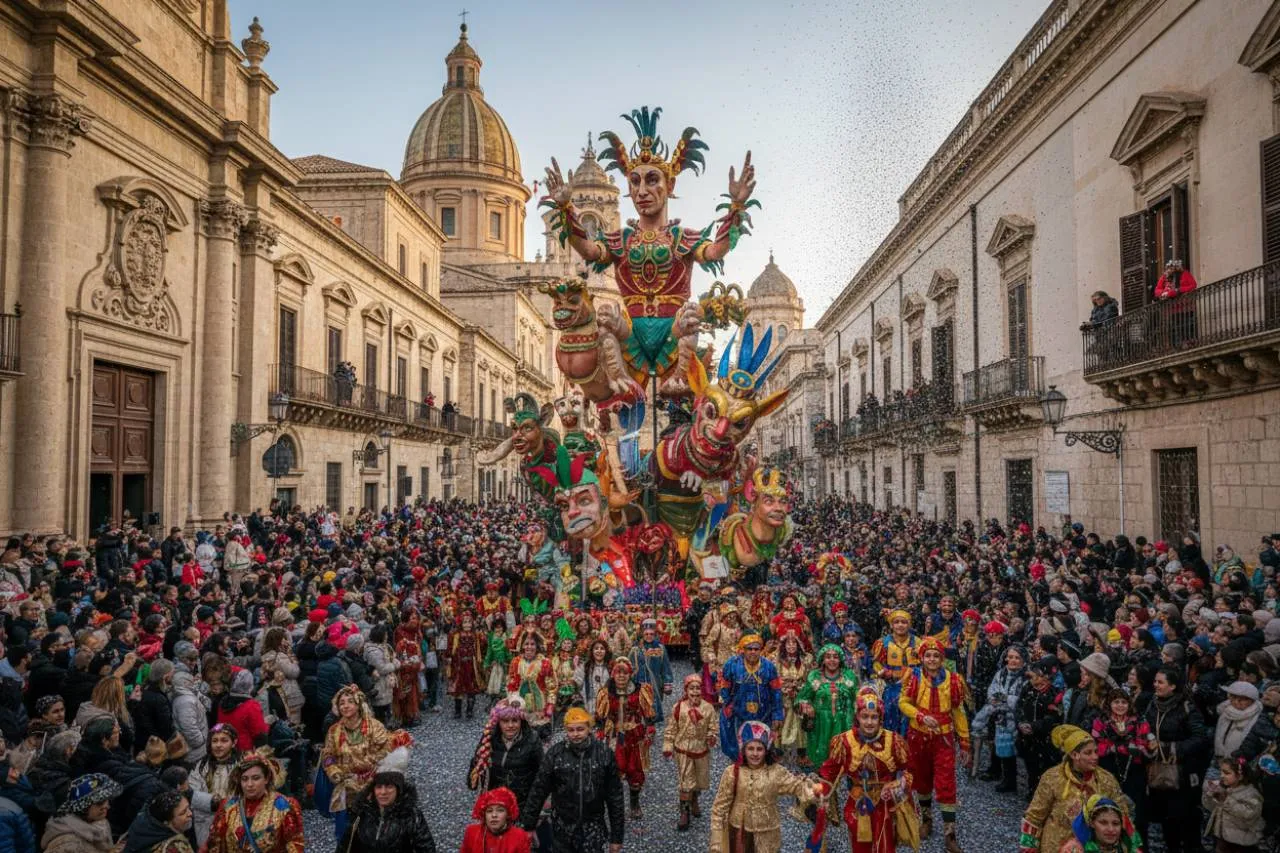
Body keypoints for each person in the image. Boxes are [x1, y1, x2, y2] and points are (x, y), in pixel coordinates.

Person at [818, 685, 917, 853]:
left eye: (874, 717)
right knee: (860, 847)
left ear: (880, 718)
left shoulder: (894, 741)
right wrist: (817, 793)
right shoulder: (844, 742)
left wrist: (896, 786)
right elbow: (828, 774)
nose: (869, 722)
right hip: (857, 804)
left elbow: (909, 772)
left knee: (886, 847)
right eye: (865, 717)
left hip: (886, 805)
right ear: (857, 717)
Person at [519, 706, 624, 853]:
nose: (576, 734)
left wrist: (617, 837)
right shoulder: (555, 754)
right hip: (562, 827)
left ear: (589, 728)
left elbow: (615, 797)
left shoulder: (604, 754)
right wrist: (529, 826)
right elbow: (539, 790)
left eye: (580, 729)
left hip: (593, 827)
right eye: (571, 730)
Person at [899, 635, 970, 851]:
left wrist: (965, 741)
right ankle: (927, 819)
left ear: (941, 658)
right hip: (918, 737)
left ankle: (950, 833)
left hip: (944, 739)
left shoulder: (954, 679)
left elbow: (958, 710)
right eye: (927, 655)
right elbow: (903, 703)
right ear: (922, 658)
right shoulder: (914, 676)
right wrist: (920, 716)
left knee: (946, 781)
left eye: (935, 656)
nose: (931, 659)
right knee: (921, 778)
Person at [707, 721, 820, 853]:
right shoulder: (732, 772)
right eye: (750, 749)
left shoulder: (776, 772)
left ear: (766, 751)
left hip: (768, 832)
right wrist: (716, 838)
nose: (755, 754)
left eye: (759, 749)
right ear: (743, 749)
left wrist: (815, 791)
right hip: (740, 832)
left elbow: (796, 785)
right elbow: (719, 807)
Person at [320, 685, 407, 841]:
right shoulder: (334, 731)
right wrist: (333, 771)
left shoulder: (374, 726)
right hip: (346, 786)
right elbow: (328, 754)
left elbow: (386, 749)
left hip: (372, 784)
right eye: (342, 703)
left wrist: (368, 763)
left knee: (374, 832)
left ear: (358, 705)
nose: (345, 706)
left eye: (350, 702)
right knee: (346, 833)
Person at [1019, 725, 1124, 853]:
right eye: (1088, 753)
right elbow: (1034, 816)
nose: (1095, 757)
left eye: (1096, 751)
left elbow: (1122, 814)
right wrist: (1029, 848)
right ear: (1074, 755)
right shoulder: (1053, 777)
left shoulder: (1106, 780)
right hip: (1055, 845)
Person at [1143, 666, 1210, 853]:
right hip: (1159, 769)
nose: (1155, 685)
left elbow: (1200, 738)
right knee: (1165, 814)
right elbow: (1146, 725)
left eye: (1160, 682)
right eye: (1155, 681)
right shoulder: (1153, 703)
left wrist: (1169, 748)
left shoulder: (1186, 707)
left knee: (1185, 814)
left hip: (1183, 771)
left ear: (1172, 686)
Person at [205, 751, 305, 853]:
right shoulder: (228, 807)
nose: (249, 784)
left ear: (266, 779)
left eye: (256, 778)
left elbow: (295, 845)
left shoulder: (285, 806)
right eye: (244, 779)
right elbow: (214, 843)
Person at [594, 657, 655, 820]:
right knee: (615, 769)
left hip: (635, 735)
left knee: (635, 770)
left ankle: (634, 803)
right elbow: (600, 715)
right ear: (613, 674)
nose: (621, 676)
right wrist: (600, 729)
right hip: (615, 736)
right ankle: (616, 804)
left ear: (630, 674)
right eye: (617, 672)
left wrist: (650, 727)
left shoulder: (640, 689)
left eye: (625, 672)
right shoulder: (606, 692)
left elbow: (647, 712)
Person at [1091, 689, 1153, 843]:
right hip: (1108, 770)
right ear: (1109, 703)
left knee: (1137, 815)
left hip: (1134, 771)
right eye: (1116, 702)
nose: (1120, 705)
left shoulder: (1139, 721)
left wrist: (1125, 748)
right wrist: (1118, 748)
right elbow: (1095, 746)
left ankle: (1138, 846)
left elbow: (1144, 745)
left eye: (1124, 702)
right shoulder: (1100, 721)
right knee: (1108, 811)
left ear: (1129, 703)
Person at [662, 673, 717, 831]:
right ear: (686, 690)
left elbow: (713, 726)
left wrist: (711, 736)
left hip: (701, 750)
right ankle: (684, 812)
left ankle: (694, 800)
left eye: (698, 688)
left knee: (699, 781)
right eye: (691, 688)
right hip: (684, 750)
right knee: (686, 782)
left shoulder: (708, 708)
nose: (695, 692)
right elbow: (671, 728)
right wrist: (667, 744)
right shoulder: (679, 708)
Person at [336, 770, 437, 853]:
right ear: (373, 790)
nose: (383, 792)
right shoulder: (362, 813)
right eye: (379, 787)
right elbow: (345, 846)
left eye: (389, 786)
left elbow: (427, 849)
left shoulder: (410, 815)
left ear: (398, 790)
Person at [718, 634, 783, 761]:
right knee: (739, 744)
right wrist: (727, 703)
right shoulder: (732, 664)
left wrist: (777, 714)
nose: (753, 652)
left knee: (761, 744)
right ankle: (739, 767)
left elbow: (776, 691)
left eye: (756, 649)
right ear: (743, 649)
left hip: (764, 712)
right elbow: (724, 686)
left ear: (761, 650)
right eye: (749, 648)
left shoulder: (769, 667)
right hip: (739, 712)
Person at [795, 642, 859, 769]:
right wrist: (807, 707)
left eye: (835, 657)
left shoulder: (849, 676)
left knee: (844, 760)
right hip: (820, 726)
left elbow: (858, 697)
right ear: (822, 660)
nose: (832, 660)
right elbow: (801, 699)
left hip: (844, 724)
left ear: (840, 659)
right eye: (828, 657)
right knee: (822, 763)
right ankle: (823, 783)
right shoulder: (814, 677)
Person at [40, 773, 122, 853]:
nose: (107, 806)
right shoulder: (66, 844)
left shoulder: (99, 822)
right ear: (83, 807)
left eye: (108, 800)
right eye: (100, 802)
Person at [188, 723, 240, 846]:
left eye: (224, 740)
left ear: (234, 743)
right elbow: (193, 793)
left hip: (234, 822)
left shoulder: (241, 766)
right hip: (207, 824)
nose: (218, 745)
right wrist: (213, 803)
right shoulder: (201, 767)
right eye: (214, 741)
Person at [872, 609, 921, 735]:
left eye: (904, 622)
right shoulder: (883, 643)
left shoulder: (918, 642)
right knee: (891, 716)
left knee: (911, 718)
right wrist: (882, 671)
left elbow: (924, 663)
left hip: (913, 686)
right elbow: (876, 663)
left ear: (909, 625)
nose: (900, 625)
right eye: (897, 622)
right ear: (891, 625)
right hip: (892, 686)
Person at [1202, 756, 1263, 853]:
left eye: (1226, 773)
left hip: (1241, 843)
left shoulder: (1250, 793)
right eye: (1221, 772)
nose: (1221, 775)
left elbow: (1250, 814)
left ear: (1240, 776)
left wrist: (1226, 800)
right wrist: (1210, 795)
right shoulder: (1224, 789)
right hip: (1222, 840)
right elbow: (1210, 808)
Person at [507, 633, 556, 740]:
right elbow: (512, 683)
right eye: (526, 644)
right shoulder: (516, 662)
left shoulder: (545, 663)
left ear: (537, 646)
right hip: (521, 705)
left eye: (532, 644)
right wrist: (513, 699)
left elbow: (551, 686)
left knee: (540, 739)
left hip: (540, 707)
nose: (529, 647)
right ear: (522, 645)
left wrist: (550, 705)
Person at [1058, 795, 1143, 853]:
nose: (1111, 829)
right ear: (1091, 823)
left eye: (1116, 823)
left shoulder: (1128, 849)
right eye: (1103, 823)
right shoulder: (1074, 849)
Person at [122, 789, 196, 853]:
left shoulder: (143, 823)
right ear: (166, 822)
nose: (190, 813)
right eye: (183, 812)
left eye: (188, 807)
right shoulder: (174, 847)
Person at [627, 619, 672, 723]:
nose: (649, 636)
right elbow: (630, 666)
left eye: (651, 634)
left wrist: (667, 682)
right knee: (639, 708)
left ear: (655, 634)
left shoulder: (660, 648)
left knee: (653, 705)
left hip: (655, 682)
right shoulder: (635, 649)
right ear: (642, 634)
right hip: (639, 682)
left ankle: (651, 726)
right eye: (646, 634)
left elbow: (666, 667)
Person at [461, 787, 531, 853]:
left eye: (500, 810)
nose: (494, 815)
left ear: (508, 814)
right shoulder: (472, 832)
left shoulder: (519, 836)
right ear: (484, 815)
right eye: (489, 811)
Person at [1154, 259, 1197, 347]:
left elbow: (1193, 285)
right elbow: (1157, 290)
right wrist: (1163, 293)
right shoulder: (1164, 277)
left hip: (1185, 306)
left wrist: (1179, 290)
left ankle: (1189, 342)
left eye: (1173, 268)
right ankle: (1177, 344)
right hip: (1172, 309)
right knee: (1176, 327)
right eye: (1169, 268)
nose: (1171, 270)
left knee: (1186, 325)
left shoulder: (1185, 274)